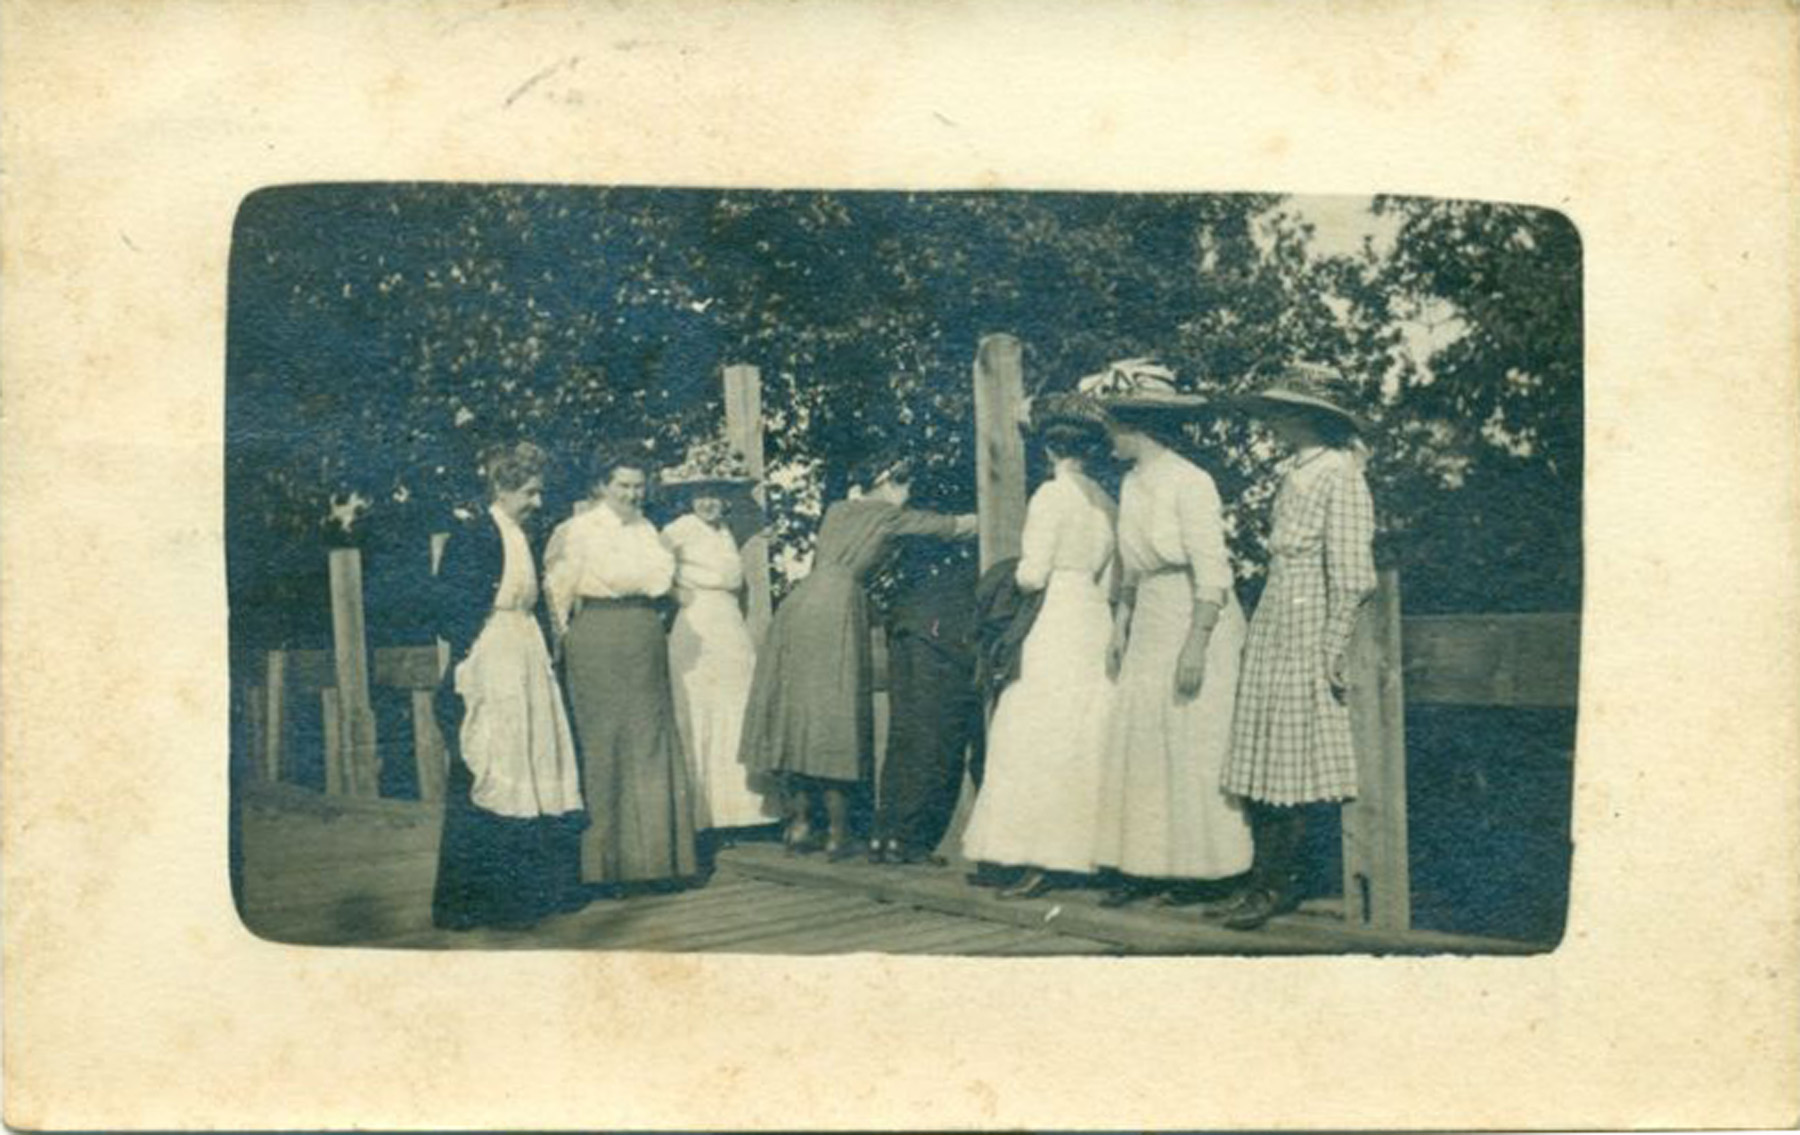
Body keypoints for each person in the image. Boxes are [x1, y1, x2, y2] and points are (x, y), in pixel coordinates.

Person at [737, 456, 977, 859]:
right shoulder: (888, 516)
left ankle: (798, 825)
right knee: (837, 718)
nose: (906, 495)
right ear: (888, 484)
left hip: (799, 605)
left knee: (800, 716)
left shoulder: (837, 510)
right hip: (838, 608)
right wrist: (986, 517)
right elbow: (956, 528)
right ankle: (837, 834)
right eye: (904, 486)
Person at [1085, 359, 1255, 907]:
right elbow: (1133, 568)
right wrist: (1120, 622)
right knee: (1146, 741)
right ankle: (1148, 867)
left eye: (1113, 425)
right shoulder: (1133, 483)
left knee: (1191, 739)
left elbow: (1213, 573)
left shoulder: (1191, 482)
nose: (1108, 436)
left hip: (1192, 613)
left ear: (1139, 425)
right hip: (1151, 619)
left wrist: (1197, 644)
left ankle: (1208, 871)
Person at [1218, 365, 1378, 930]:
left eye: (1287, 410)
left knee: (1293, 752)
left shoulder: (1340, 473)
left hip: (1310, 616)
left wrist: (1334, 647)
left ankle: (1281, 884)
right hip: (1279, 607)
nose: (1276, 420)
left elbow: (1354, 572)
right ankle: (1261, 879)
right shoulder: (1298, 472)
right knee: (1264, 745)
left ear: (1314, 417)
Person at [958, 392, 1119, 899]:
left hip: (1055, 615)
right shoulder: (1105, 502)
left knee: (1034, 729)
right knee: (1084, 729)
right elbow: (1113, 577)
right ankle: (1087, 851)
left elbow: (1030, 575)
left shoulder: (1051, 496)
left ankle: (1034, 854)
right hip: (1093, 615)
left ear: (1048, 451)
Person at [430, 441, 586, 931]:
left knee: (532, 761)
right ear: (502, 487)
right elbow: (446, 608)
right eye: (530, 492)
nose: (539, 502)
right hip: (493, 655)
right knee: (493, 763)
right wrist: (472, 655)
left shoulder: (523, 536)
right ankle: (481, 901)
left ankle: (529, 895)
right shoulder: (473, 535)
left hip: (526, 654)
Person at [545, 446, 699, 891]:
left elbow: (658, 579)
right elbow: (558, 594)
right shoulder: (576, 530)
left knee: (649, 739)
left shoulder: (649, 529)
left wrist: (642, 580)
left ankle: (656, 863)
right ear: (601, 486)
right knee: (603, 743)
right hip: (596, 636)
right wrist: (560, 648)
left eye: (638, 486)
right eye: (622, 486)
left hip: (643, 636)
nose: (632, 494)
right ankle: (604, 866)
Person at [659, 446, 777, 838]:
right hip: (697, 627)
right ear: (689, 497)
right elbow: (655, 573)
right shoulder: (677, 530)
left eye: (715, 494)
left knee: (736, 708)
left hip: (730, 628)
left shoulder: (728, 532)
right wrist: (679, 594)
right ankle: (703, 814)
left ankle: (743, 813)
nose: (708, 503)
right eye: (701, 494)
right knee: (700, 711)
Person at [869, 538, 984, 866]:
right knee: (938, 742)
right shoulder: (970, 547)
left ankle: (889, 834)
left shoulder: (919, 547)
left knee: (906, 736)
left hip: (912, 629)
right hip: (942, 641)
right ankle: (910, 839)